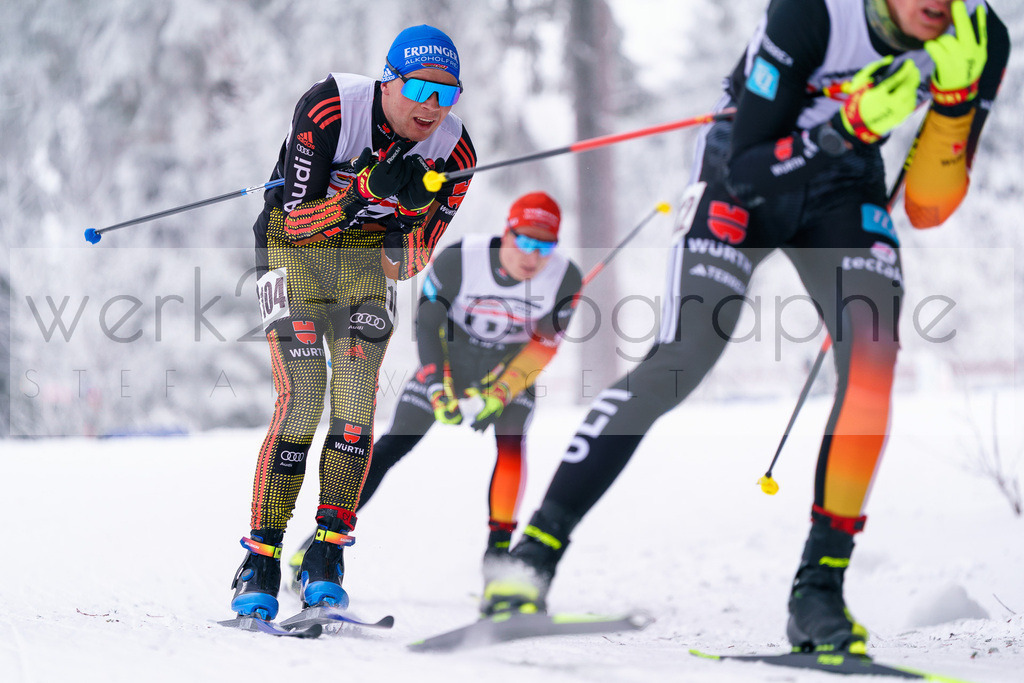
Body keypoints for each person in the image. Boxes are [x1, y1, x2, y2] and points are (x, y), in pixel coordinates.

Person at [483, 0, 1009, 654]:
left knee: (873, 359)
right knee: (683, 357)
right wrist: (846, 123)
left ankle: (818, 591)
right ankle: (531, 553)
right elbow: (753, 171)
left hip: (845, 189)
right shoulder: (813, 12)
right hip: (745, 172)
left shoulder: (981, 36)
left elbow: (929, 206)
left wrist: (956, 102)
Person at [230, 24, 476, 621]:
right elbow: (293, 226)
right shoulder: (333, 107)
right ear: (388, 81)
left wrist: (404, 218)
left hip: (364, 266)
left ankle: (327, 555)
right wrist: (361, 191)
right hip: (292, 253)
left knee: (354, 405)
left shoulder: (455, 154)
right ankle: (259, 559)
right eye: (418, 88)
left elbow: (406, 266)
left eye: (446, 94)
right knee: (304, 395)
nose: (429, 107)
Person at [286, 192, 583, 591]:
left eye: (544, 246)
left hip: (507, 371)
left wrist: (503, 390)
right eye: (525, 242)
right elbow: (427, 326)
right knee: (393, 444)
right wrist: (437, 386)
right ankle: (320, 541)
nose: (532, 256)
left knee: (512, 443)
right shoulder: (462, 257)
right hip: (447, 364)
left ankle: (498, 557)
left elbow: (544, 345)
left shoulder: (565, 277)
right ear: (506, 232)